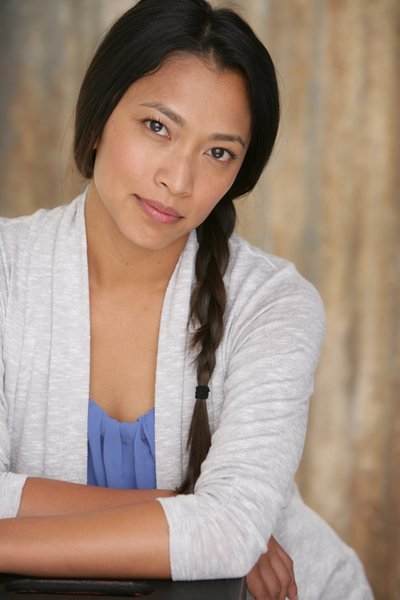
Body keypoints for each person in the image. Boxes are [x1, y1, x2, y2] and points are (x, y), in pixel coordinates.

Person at [0, 0, 373, 598]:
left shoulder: (273, 304)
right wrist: (183, 510)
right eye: (158, 127)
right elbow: (224, 528)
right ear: (97, 119)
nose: (178, 180)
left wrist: (221, 527)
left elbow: (230, 531)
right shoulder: (7, 269)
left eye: (218, 152)